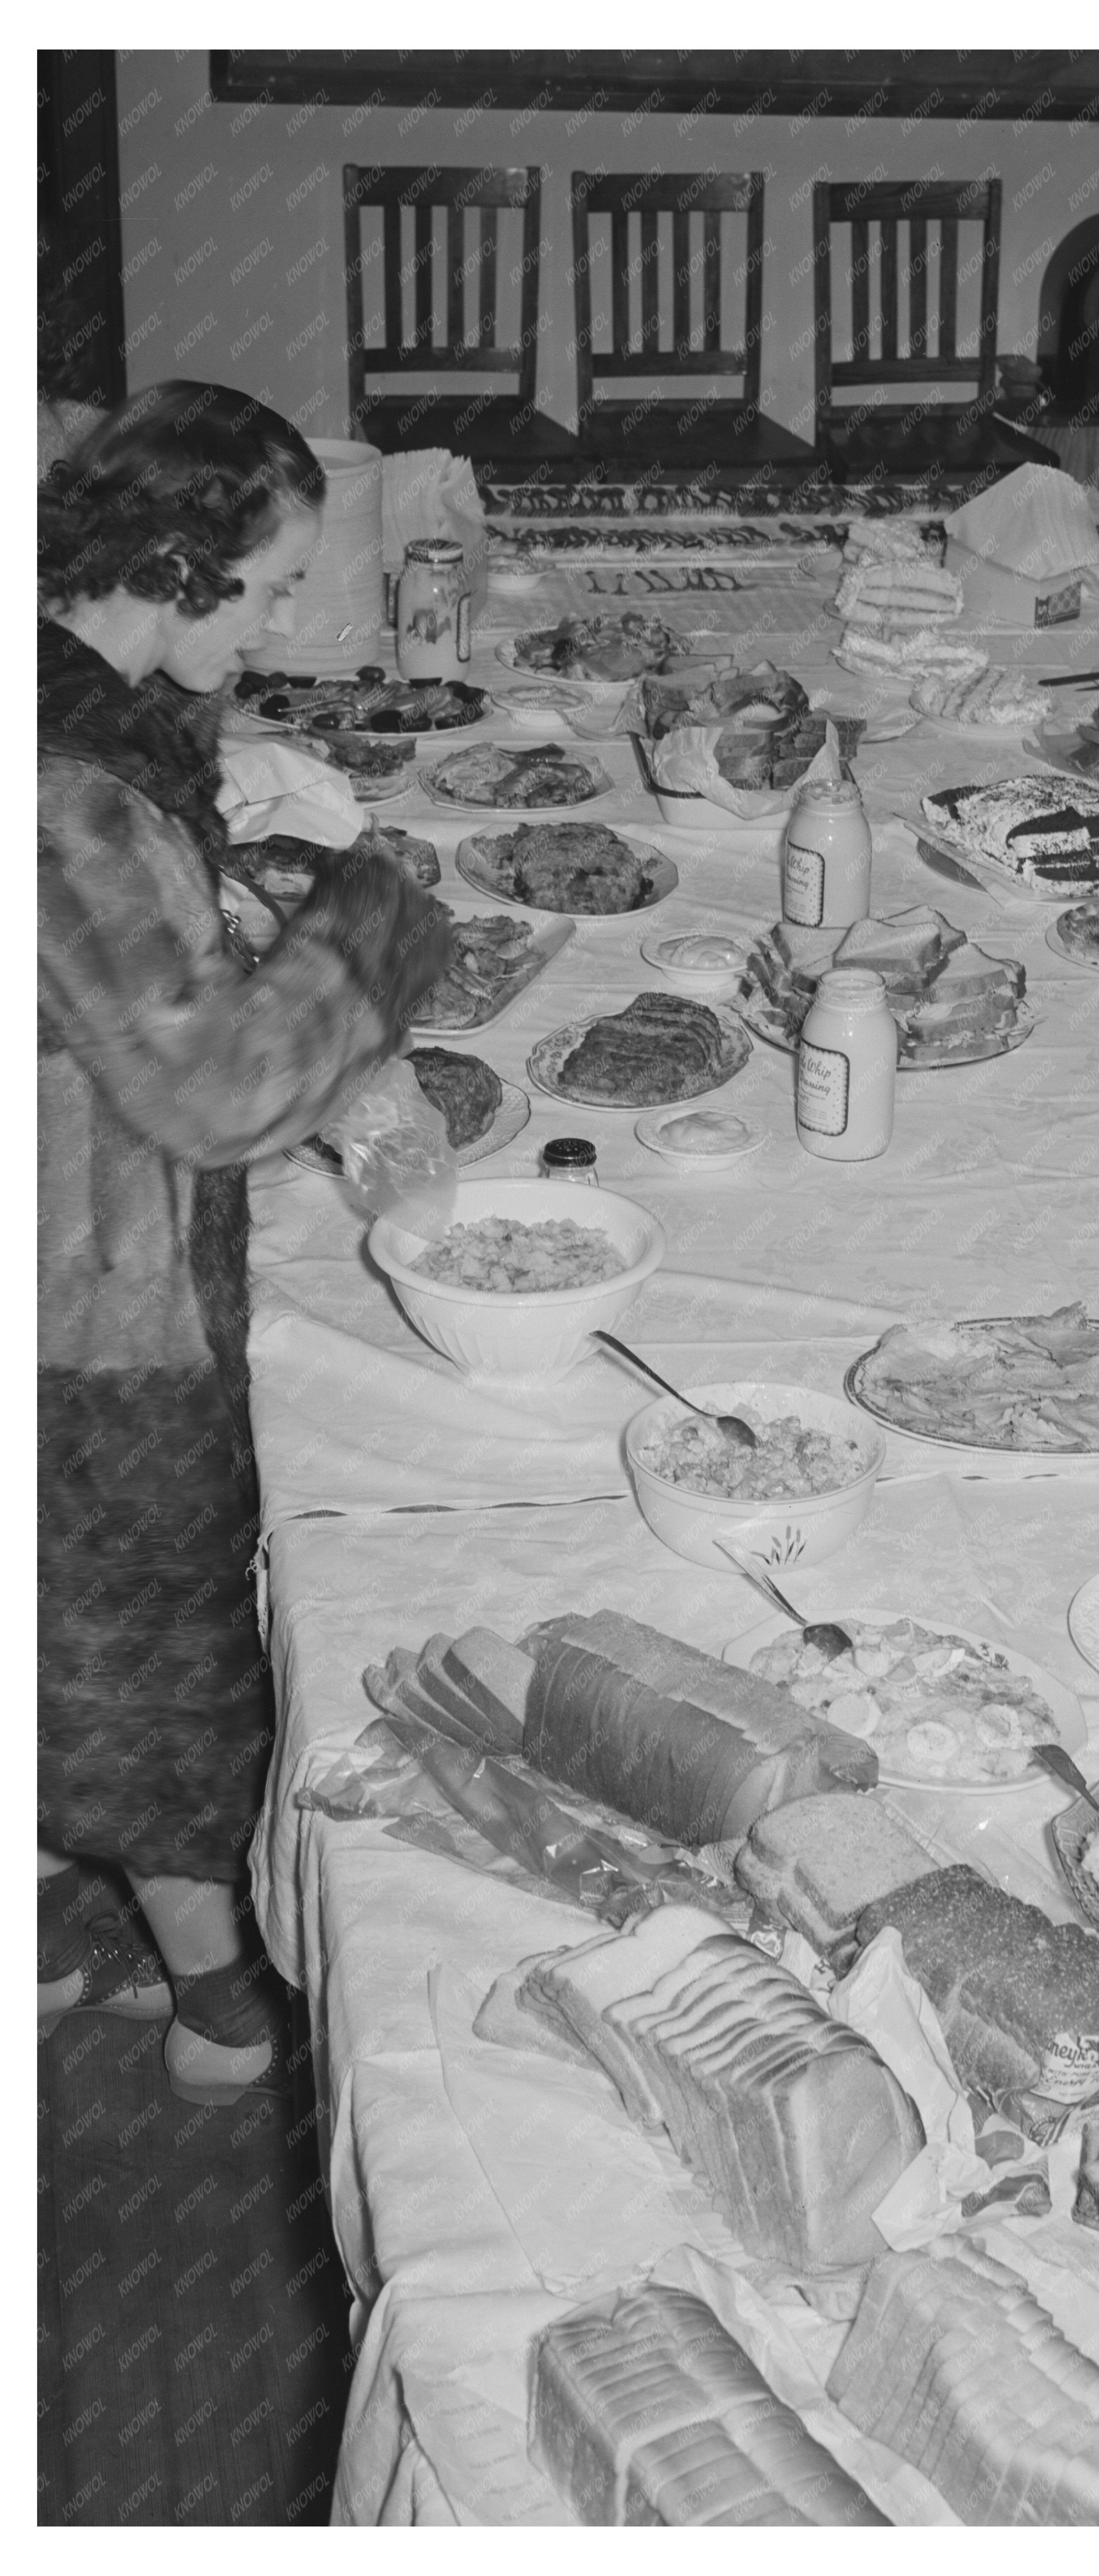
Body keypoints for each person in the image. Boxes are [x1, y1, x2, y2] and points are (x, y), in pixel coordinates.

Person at [37, 383, 452, 2103]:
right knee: (157, 1627)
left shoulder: (90, 705)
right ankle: (218, 2005)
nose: (284, 623)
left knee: (64, 1611)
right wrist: (380, 918)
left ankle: (58, 1929)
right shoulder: (62, 787)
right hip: (86, 1285)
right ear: (178, 560)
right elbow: (212, 1091)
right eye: (272, 587)